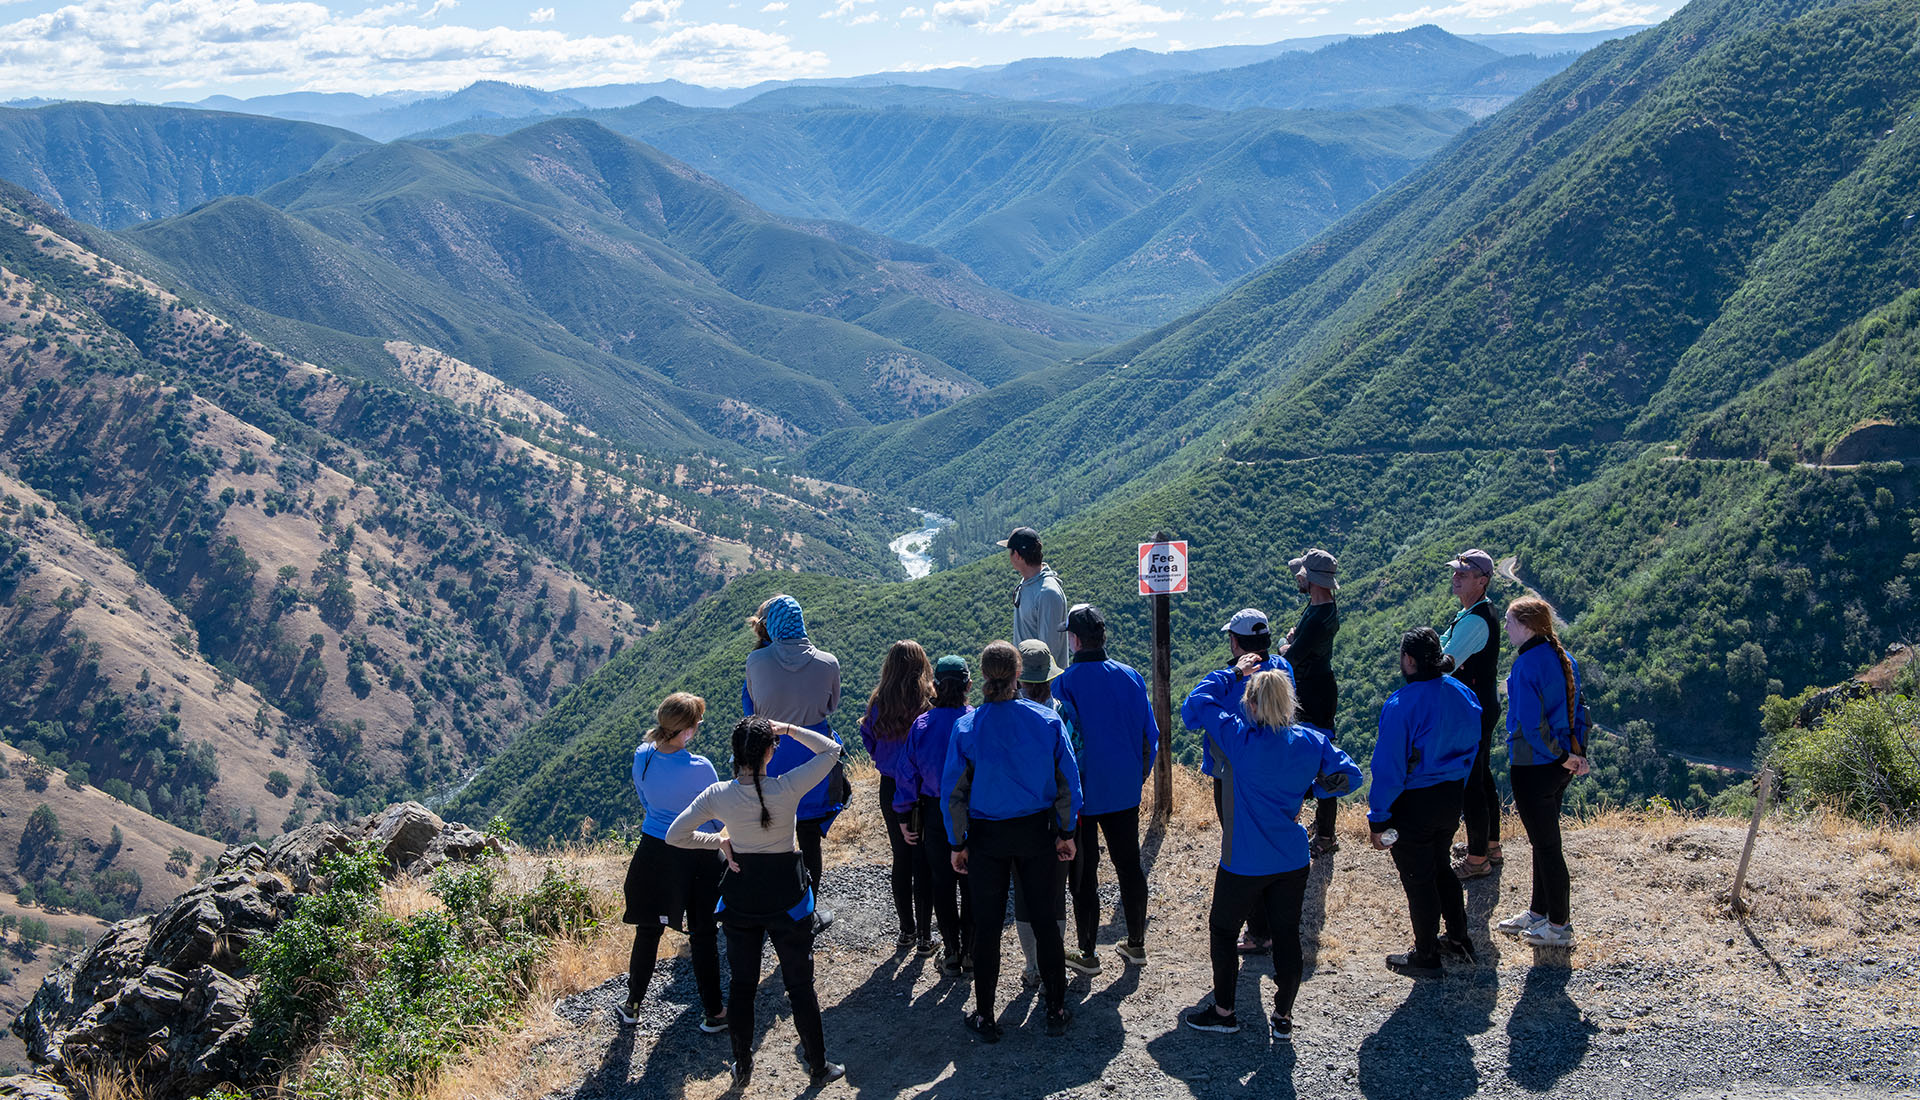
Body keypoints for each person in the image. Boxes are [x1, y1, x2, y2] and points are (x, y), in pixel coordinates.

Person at [1180, 662, 1360, 1042]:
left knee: (1223, 929)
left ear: (1254, 705)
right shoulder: (1312, 742)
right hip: (1292, 859)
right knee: (1287, 934)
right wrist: (1315, 790)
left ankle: (1225, 1011)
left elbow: (1197, 702)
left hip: (1243, 859)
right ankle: (1282, 1017)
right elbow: (1350, 776)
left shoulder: (1238, 738)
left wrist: (1231, 674)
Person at [666, 716, 847, 1087]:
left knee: (743, 986)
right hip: (788, 899)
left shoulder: (718, 795)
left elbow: (675, 835)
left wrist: (719, 842)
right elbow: (832, 750)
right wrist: (791, 730)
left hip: (741, 900)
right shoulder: (788, 787)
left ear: (735, 753)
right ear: (769, 751)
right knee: (800, 986)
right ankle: (817, 1066)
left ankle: (743, 1067)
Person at [943, 640, 1082, 1043]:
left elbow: (954, 793)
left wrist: (957, 842)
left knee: (987, 928)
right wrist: (1067, 831)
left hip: (986, 838)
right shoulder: (1045, 720)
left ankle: (985, 1016)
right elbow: (1067, 783)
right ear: (1019, 674)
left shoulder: (967, 726)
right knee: (1044, 921)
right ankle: (1055, 1009)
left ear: (983, 677)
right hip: (1038, 833)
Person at [1367, 628, 1484, 977]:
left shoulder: (1402, 704)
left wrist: (1379, 817)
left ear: (1409, 660)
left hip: (1412, 802)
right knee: (1440, 865)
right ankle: (1460, 937)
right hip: (1451, 796)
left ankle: (1426, 955)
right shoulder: (1465, 694)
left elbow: (1389, 768)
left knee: (1418, 879)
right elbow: (1473, 749)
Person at [1051, 604, 1156, 973]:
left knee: (1084, 872)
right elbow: (1150, 737)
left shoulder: (1062, 683)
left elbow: (1060, 744)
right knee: (1129, 866)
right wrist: (1137, 775)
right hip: (1124, 790)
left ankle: (1087, 952)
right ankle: (1137, 944)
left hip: (1081, 795)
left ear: (1075, 640)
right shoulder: (1131, 677)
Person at [1181, 607, 1293, 953]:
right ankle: (1275, 924)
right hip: (1279, 770)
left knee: (1241, 846)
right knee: (1273, 838)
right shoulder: (1282, 669)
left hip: (1233, 776)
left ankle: (1258, 931)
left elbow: (1190, 713)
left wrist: (1230, 673)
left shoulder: (1231, 681)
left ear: (1236, 644)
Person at [618, 693, 727, 1033]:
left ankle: (633, 1004)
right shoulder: (700, 768)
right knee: (703, 933)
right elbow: (715, 818)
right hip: (695, 852)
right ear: (687, 732)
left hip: (653, 850)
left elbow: (645, 800)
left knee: (648, 930)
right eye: (697, 725)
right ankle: (714, 1012)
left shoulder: (643, 757)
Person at [742, 593, 847, 930]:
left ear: (769, 626)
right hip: (813, 758)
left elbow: (752, 709)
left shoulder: (756, 662)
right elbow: (831, 707)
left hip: (768, 757)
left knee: (770, 838)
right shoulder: (828, 662)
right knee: (809, 839)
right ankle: (807, 912)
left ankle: (765, 909)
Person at [1495, 595, 1592, 949]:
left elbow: (1530, 726)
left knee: (1548, 847)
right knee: (1543, 842)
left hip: (1534, 766)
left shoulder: (1525, 667)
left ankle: (1559, 926)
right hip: (1560, 765)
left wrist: (1559, 756)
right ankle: (1538, 913)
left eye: (1509, 622)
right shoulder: (1566, 659)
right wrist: (1572, 756)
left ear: (1527, 626)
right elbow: (1579, 710)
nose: (1505, 628)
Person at [894, 655, 975, 976]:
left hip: (934, 813)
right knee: (970, 884)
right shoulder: (976, 720)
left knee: (942, 883)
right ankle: (971, 951)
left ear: (935, 688)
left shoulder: (922, 725)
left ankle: (952, 952)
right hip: (973, 813)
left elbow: (906, 775)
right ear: (969, 686)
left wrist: (903, 815)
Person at [860, 640, 935, 954]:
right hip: (923, 788)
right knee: (924, 861)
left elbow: (869, 738)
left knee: (901, 858)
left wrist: (884, 757)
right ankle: (925, 936)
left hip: (890, 786)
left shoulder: (879, 700)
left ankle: (906, 931)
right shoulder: (928, 699)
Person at [1010, 639, 1074, 986]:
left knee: (1023, 893)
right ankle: (1053, 962)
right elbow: (1072, 768)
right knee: (1055, 893)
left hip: (1019, 816)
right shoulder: (1061, 713)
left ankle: (1032, 965)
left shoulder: (1007, 715)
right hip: (1056, 815)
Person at [1440, 549, 1503, 878]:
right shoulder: (1478, 613)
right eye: (1455, 572)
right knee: (1483, 777)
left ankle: (1477, 860)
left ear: (1482, 581)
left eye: (1462, 574)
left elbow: (1444, 662)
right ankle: (1490, 845)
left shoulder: (1476, 620)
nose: (1455, 578)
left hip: (1471, 711)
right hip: (1481, 705)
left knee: (1472, 785)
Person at [1280, 549, 1343, 858]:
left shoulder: (1319, 615)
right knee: (1319, 757)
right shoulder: (1321, 606)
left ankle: (1325, 835)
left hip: (1313, 692)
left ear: (1312, 580)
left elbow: (1291, 655)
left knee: (1320, 761)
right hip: (1316, 687)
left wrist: (1286, 644)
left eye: (1302, 574)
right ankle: (1323, 829)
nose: (1298, 578)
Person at [1002, 526, 1070, 667]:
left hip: (1042, 685)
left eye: (1010, 551)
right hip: (1026, 680)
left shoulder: (1047, 593)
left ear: (1017, 555)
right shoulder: (1028, 582)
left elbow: (1050, 648)